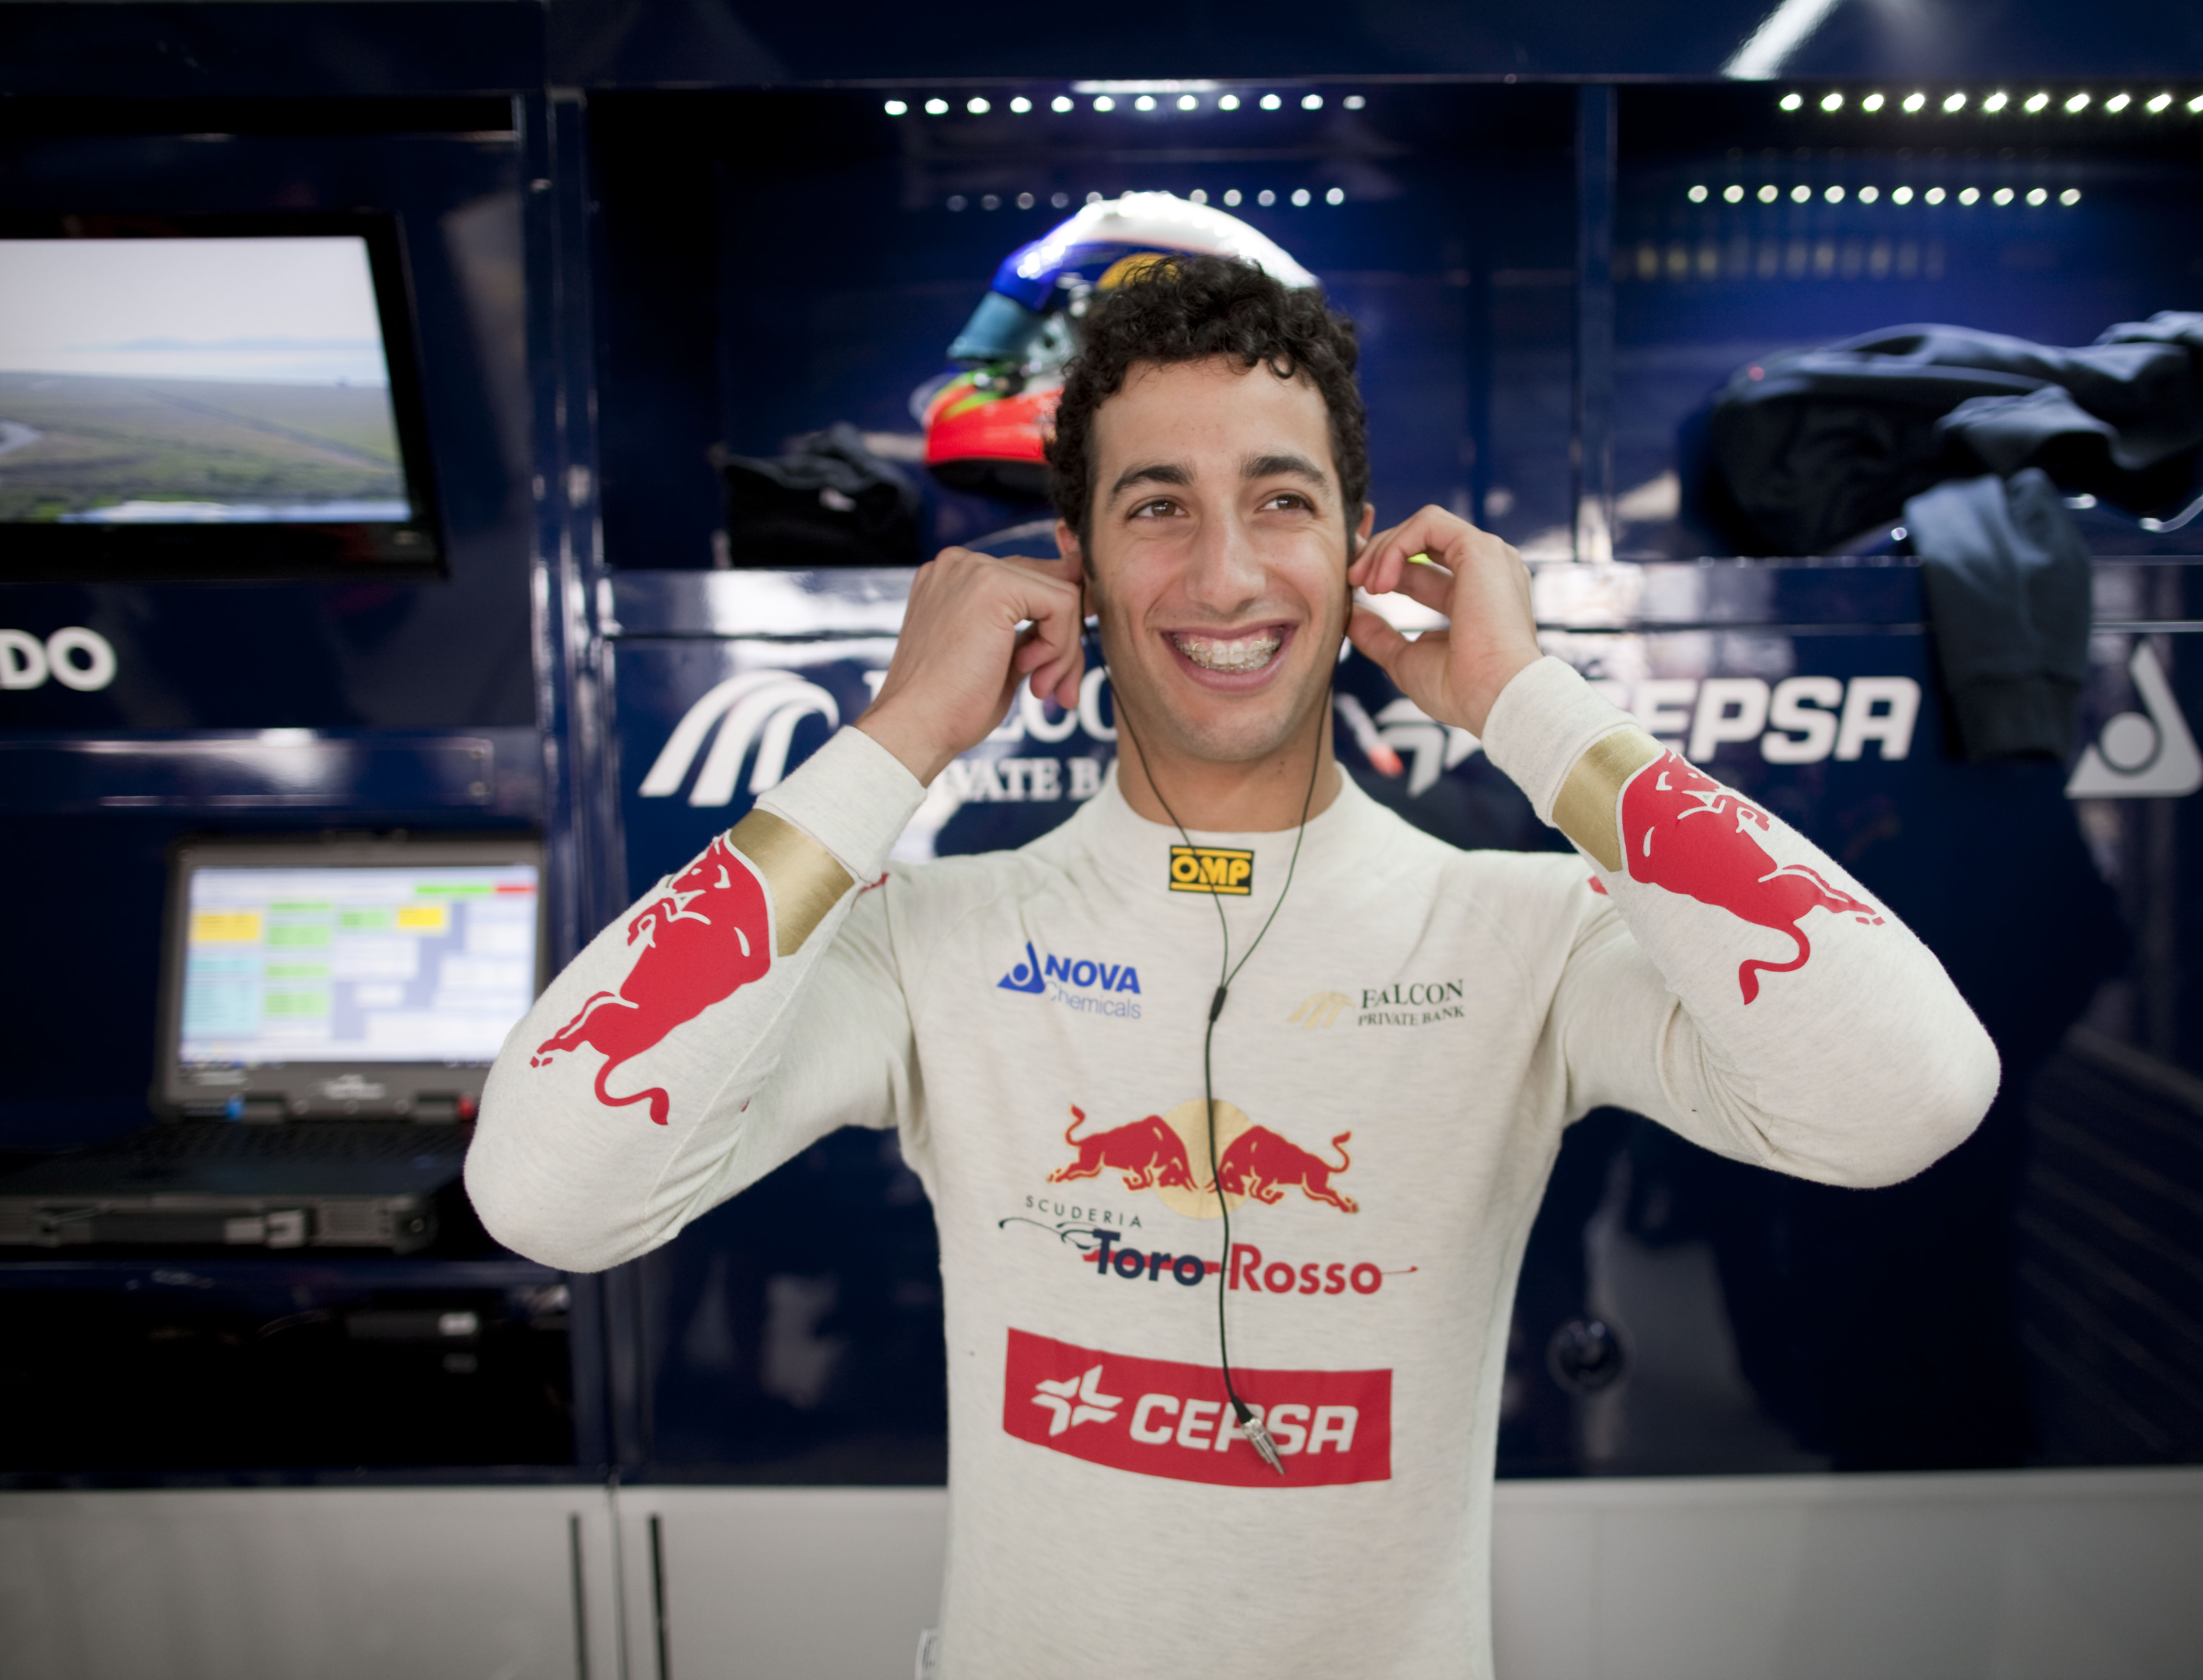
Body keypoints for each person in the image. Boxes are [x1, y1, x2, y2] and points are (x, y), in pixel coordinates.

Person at [470, 255, 1998, 1679]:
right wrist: (897, 740)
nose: (1224, 573)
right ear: (1075, 562)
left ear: (1356, 547)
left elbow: (1910, 1095)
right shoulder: (938, 938)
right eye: (1157, 506)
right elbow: (548, 1191)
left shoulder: (1520, 932)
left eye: (1280, 501)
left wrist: (1530, 705)